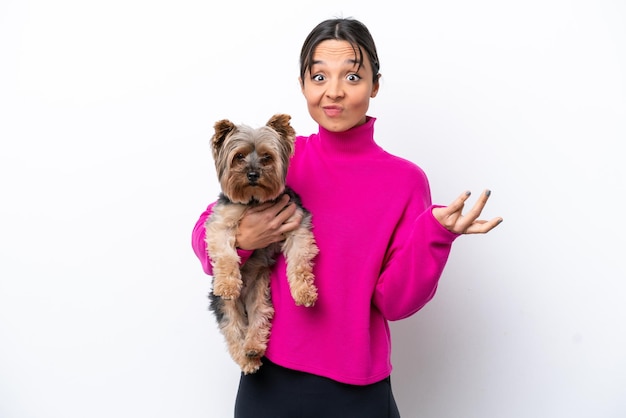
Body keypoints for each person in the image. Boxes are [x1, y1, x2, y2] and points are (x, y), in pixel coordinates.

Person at [192, 17, 502, 418]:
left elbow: (395, 302)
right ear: (303, 84)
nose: (333, 91)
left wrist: (436, 235)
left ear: (374, 85)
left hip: (358, 386)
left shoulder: (405, 181)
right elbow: (204, 239)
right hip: (269, 377)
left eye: (352, 76)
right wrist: (242, 240)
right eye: (319, 76)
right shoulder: (278, 160)